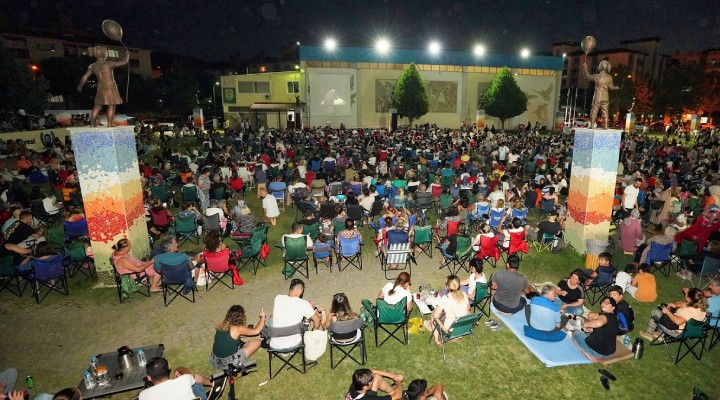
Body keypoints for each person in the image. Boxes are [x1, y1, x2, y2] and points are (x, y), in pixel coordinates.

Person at [77, 46, 129, 127]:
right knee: (111, 105)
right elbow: (125, 61)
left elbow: (85, 77)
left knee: (97, 106)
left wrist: (80, 86)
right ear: (103, 54)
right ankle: (109, 124)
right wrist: (127, 54)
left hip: (101, 87)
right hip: (111, 86)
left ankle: (92, 124)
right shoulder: (109, 63)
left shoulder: (93, 66)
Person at [210, 305, 266, 370]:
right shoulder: (237, 329)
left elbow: (237, 335)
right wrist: (263, 318)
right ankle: (236, 367)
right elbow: (257, 331)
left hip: (214, 360)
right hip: (227, 363)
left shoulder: (221, 325)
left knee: (240, 341)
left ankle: (239, 348)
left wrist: (248, 331)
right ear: (241, 317)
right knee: (258, 342)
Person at [641, 288, 708, 341]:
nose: (686, 294)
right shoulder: (700, 306)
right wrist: (675, 305)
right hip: (691, 331)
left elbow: (678, 321)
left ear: (689, 298)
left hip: (677, 332)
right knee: (664, 307)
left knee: (655, 311)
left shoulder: (689, 311)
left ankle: (648, 334)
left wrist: (667, 311)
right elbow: (685, 304)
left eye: (687, 294)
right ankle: (660, 334)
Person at [269, 279, 320, 348]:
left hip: (276, 344)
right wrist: (314, 334)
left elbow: (290, 307)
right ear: (299, 290)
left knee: (271, 318)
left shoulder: (278, 298)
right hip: (294, 343)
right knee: (306, 320)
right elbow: (317, 320)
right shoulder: (303, 304)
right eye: (302, 291)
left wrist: (307, 305)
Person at [571, 297, 619, 362]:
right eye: (603, 302)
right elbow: (607, 331)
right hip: (609, 353)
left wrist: (584, 324)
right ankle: (588, 353)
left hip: (596, 352)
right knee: (588, 333)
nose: (604, 303)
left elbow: (598, 323)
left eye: (607, 303)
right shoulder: (615, 319)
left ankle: (587, 354)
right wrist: (592, 329)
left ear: (613, 307)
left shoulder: (606, 316)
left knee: (575, 334)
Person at [139, 357, 211, 400]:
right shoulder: (184, 380)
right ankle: (211, 382)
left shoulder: (143, 396)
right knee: (194, 383)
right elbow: (191, 374)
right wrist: (179, 369)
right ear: (169, 367)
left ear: (149, 378)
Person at [431, 275, 470, 346]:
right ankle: (456, 337)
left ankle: (437, 341)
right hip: (463, 327)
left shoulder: (445, 298)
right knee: (446, 315)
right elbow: (468, 309)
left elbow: (435, 316)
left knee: (433, 315)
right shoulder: (464, 294)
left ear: (448, 286)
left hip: (451, 329)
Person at [582, 60, 619, 129]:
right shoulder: (609, 77)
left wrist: (585, 68)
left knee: (594, 111)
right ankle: (605, 126)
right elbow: (611, 87)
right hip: (605, 97)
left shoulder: (596, 76)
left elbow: (588, 77)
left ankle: (592, 126)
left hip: (597, 96)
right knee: (605, 112)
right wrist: (617, 87)